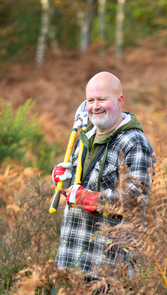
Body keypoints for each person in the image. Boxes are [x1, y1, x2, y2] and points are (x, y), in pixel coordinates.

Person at [52, 72, 155, 273]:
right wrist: (63, 183)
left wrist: (92, 200)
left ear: (119, 101)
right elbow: (76, 191)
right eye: (90, 100)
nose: (95, 106)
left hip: (108, 272)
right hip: (69, 264)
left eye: (102, 99)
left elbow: (136, 201)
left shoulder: (134, 142)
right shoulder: (84, 140)